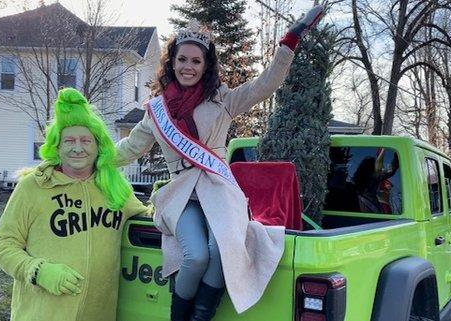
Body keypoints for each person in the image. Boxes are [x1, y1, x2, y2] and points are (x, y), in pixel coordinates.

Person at [116, 6, 326, 321]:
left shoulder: (222, 99)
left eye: (195, 61)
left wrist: (289, 43)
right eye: (182, 59)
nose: (188, 66)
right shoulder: (155, 111)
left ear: (206, 65)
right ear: (172, 63)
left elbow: (265, 85)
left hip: (218, 189)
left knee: (221, 253)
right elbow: (131, 147)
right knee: (196, 256)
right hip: (182, 194)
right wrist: (89, 155)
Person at [0, 88, 150, 321]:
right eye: (69, 140)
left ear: (98, 147)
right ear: (57, 146)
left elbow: (148, 218)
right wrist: (38, 271)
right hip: (41, 314)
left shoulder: (115, 188)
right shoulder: (32, 187)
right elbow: (3, 246)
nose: (78, 148)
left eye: (86, 140)